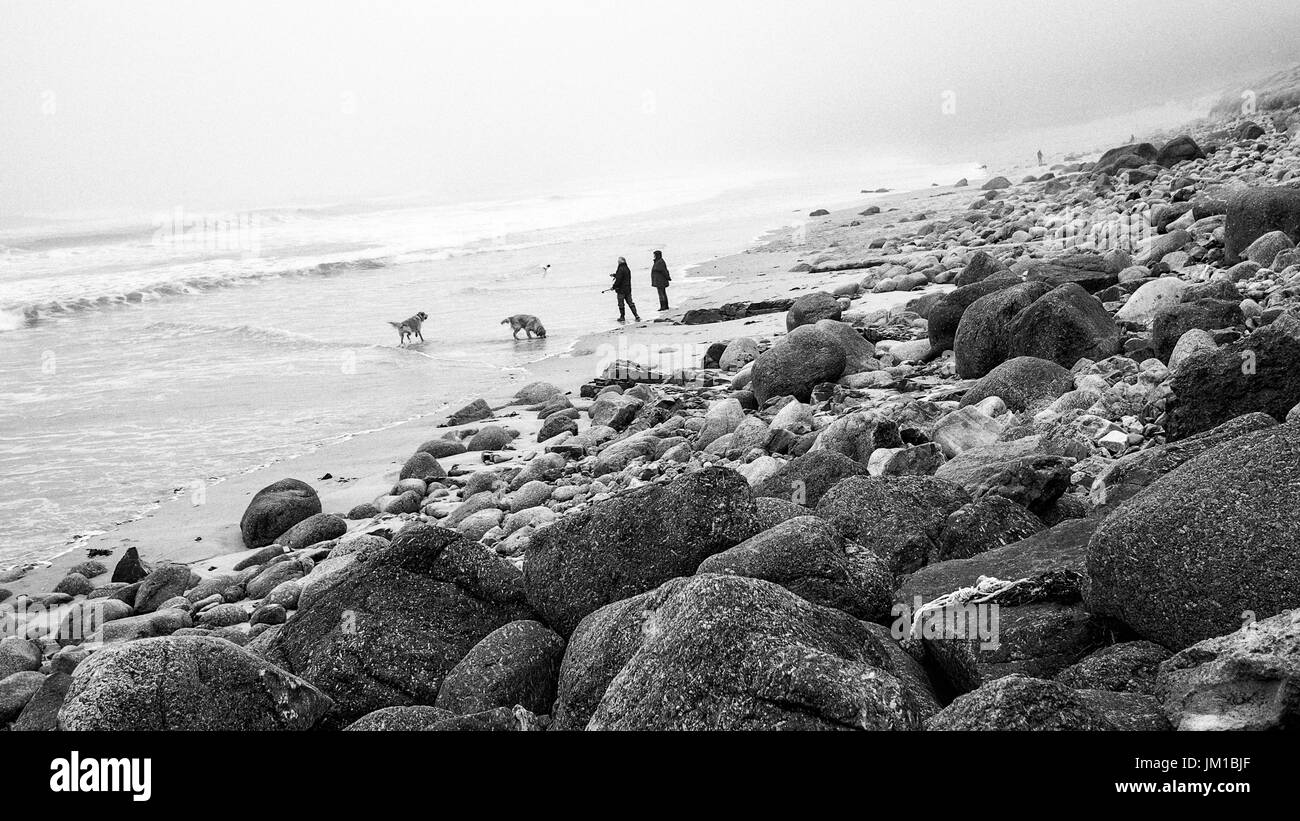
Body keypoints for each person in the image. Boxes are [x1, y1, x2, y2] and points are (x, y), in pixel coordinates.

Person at [610, 256, 640, 322]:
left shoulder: (620, 269)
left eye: (618, 261)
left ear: (621, 262)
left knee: (621, 304)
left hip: (621, 290)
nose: (617, 262)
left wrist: (613, 287)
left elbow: (619, 280)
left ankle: (622, 317)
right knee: (630, 303)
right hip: (628, 289)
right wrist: (615, 275)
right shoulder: (627, 268)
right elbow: (623, 276)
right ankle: (636, 315)